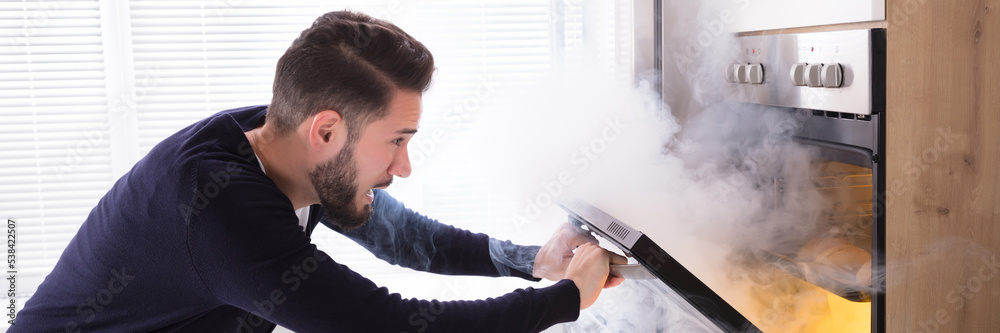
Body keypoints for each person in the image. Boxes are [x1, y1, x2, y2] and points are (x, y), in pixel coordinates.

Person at [11, 10, 626, 333]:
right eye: (397, 142)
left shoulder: (275, 138)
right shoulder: (220, 211)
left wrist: (534, 261)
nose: (403, 168)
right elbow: (388, 327)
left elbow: (402, 238)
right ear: (327, 130)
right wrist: (568, 298)